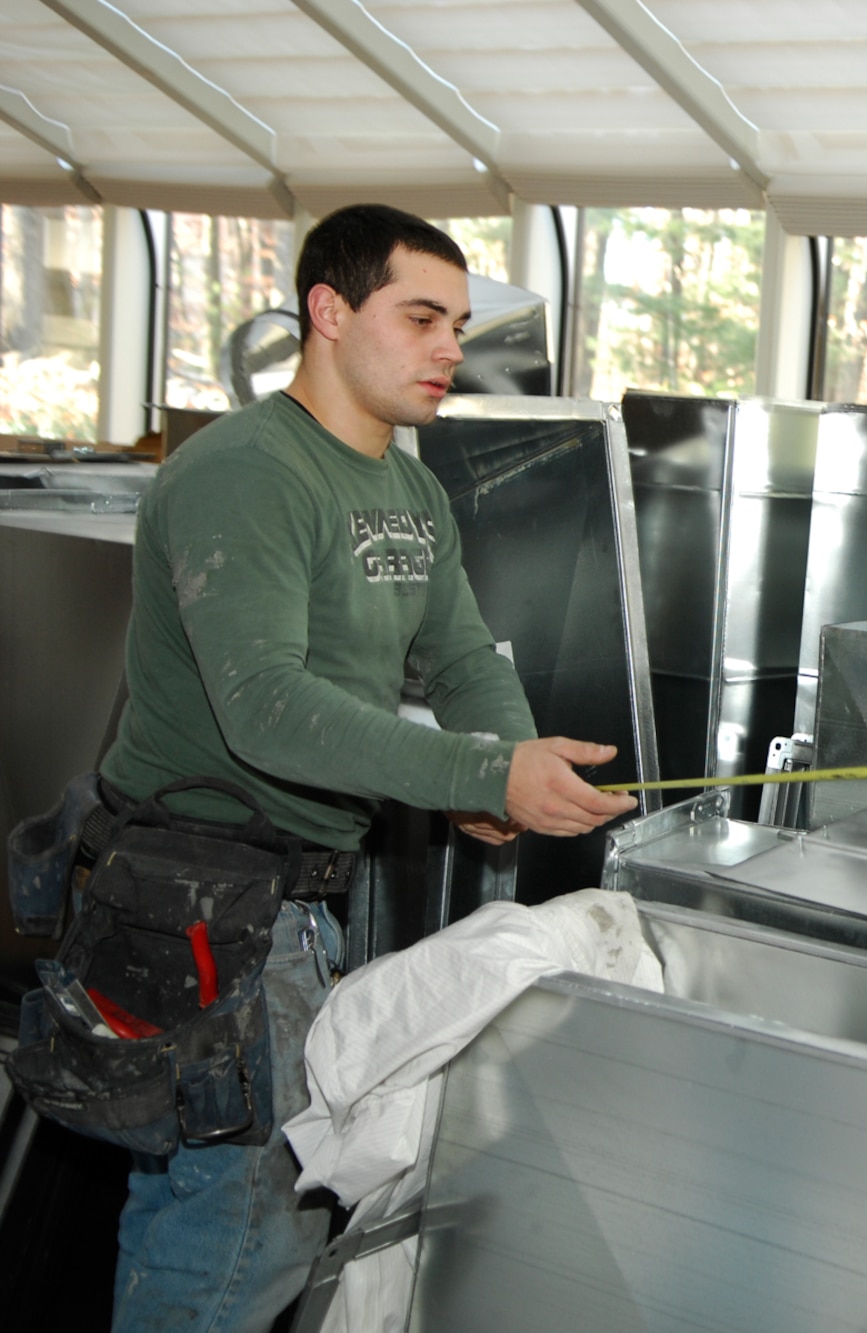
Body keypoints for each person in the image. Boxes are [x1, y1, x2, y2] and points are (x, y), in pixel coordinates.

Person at [96, 203, 636, 1329]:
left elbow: (457, 657)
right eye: (422, 316)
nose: (451, 347)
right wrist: (478, 782)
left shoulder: (408, 484)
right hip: (209, 895)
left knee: (240, 1209)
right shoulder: (247, 473)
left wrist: (504, 758)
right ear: (329, 312)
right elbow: (267, 709)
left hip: (295, 899)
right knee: (239, 1225)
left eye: (460, 322)